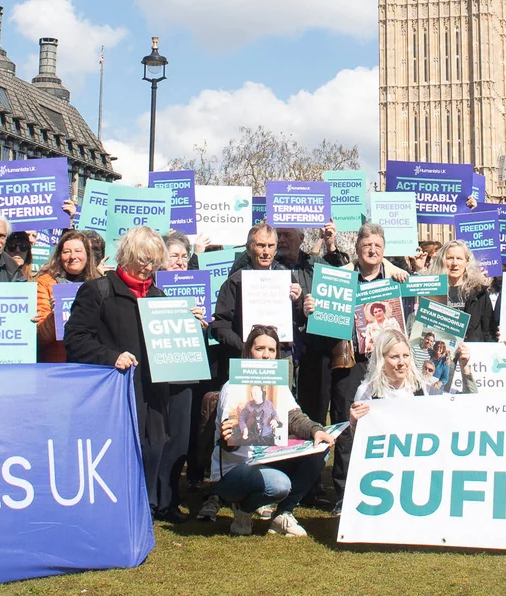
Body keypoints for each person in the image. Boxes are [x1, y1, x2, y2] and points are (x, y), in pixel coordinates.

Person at [64, 226, 194, 522]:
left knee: (153, 447)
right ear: (127, 256)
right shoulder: (98, 291)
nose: (148, 268)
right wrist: (112, 357)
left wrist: (186, 329)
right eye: (143, 260)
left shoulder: (160, 297)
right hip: (115, 393)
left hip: (153, 393)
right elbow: (75, 338)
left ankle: (150, 504)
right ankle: (116, 509)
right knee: (118, 453)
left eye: (153, 261)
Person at [208, 326, 337, 537]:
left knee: (321, 446)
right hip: (235, 470)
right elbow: (228, 438)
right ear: (249, 351)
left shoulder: (278, 386)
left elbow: (294, 417)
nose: (266, 355)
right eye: (260, 349)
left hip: (268, 460)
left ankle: (283, 514)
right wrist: (229, 436)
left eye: (271, 350)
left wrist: (315, 430)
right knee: (279, 484)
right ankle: (244, 510)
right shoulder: (232, 386)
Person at [215, 223, 309, 362]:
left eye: (270, 246)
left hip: (281, 357)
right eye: (261, 245)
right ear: (248, 248)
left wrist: (298, 301)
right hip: (245, 359)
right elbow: (221, 325)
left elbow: (300, 319)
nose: (266, 251)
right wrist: (246, 347)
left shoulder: (286, 277)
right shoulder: (235, 282)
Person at [35, 230, 103, 364]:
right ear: (59, 256)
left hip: (91, 364)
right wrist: (54, 316)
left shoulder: (101, 284)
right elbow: (41, 337)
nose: (73, 256)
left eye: (78, 251)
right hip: (58, 363)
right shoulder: (46, 283)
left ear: (87, 255)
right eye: (66, 252)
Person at [350, 327, 444, 410]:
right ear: (381, 359)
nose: (402, 363)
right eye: (394, 357)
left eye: (406, 356)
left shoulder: (419, 389)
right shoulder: (367, 392)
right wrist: (355, 425)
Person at [433, 240, 498, 343]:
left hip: (472, 355)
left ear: (466, 262)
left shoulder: (479, 292)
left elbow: (488, 331)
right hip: (441, 353)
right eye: (450, 258)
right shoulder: (433, 292)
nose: (454, 263)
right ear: (442, 261)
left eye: (459, 258)